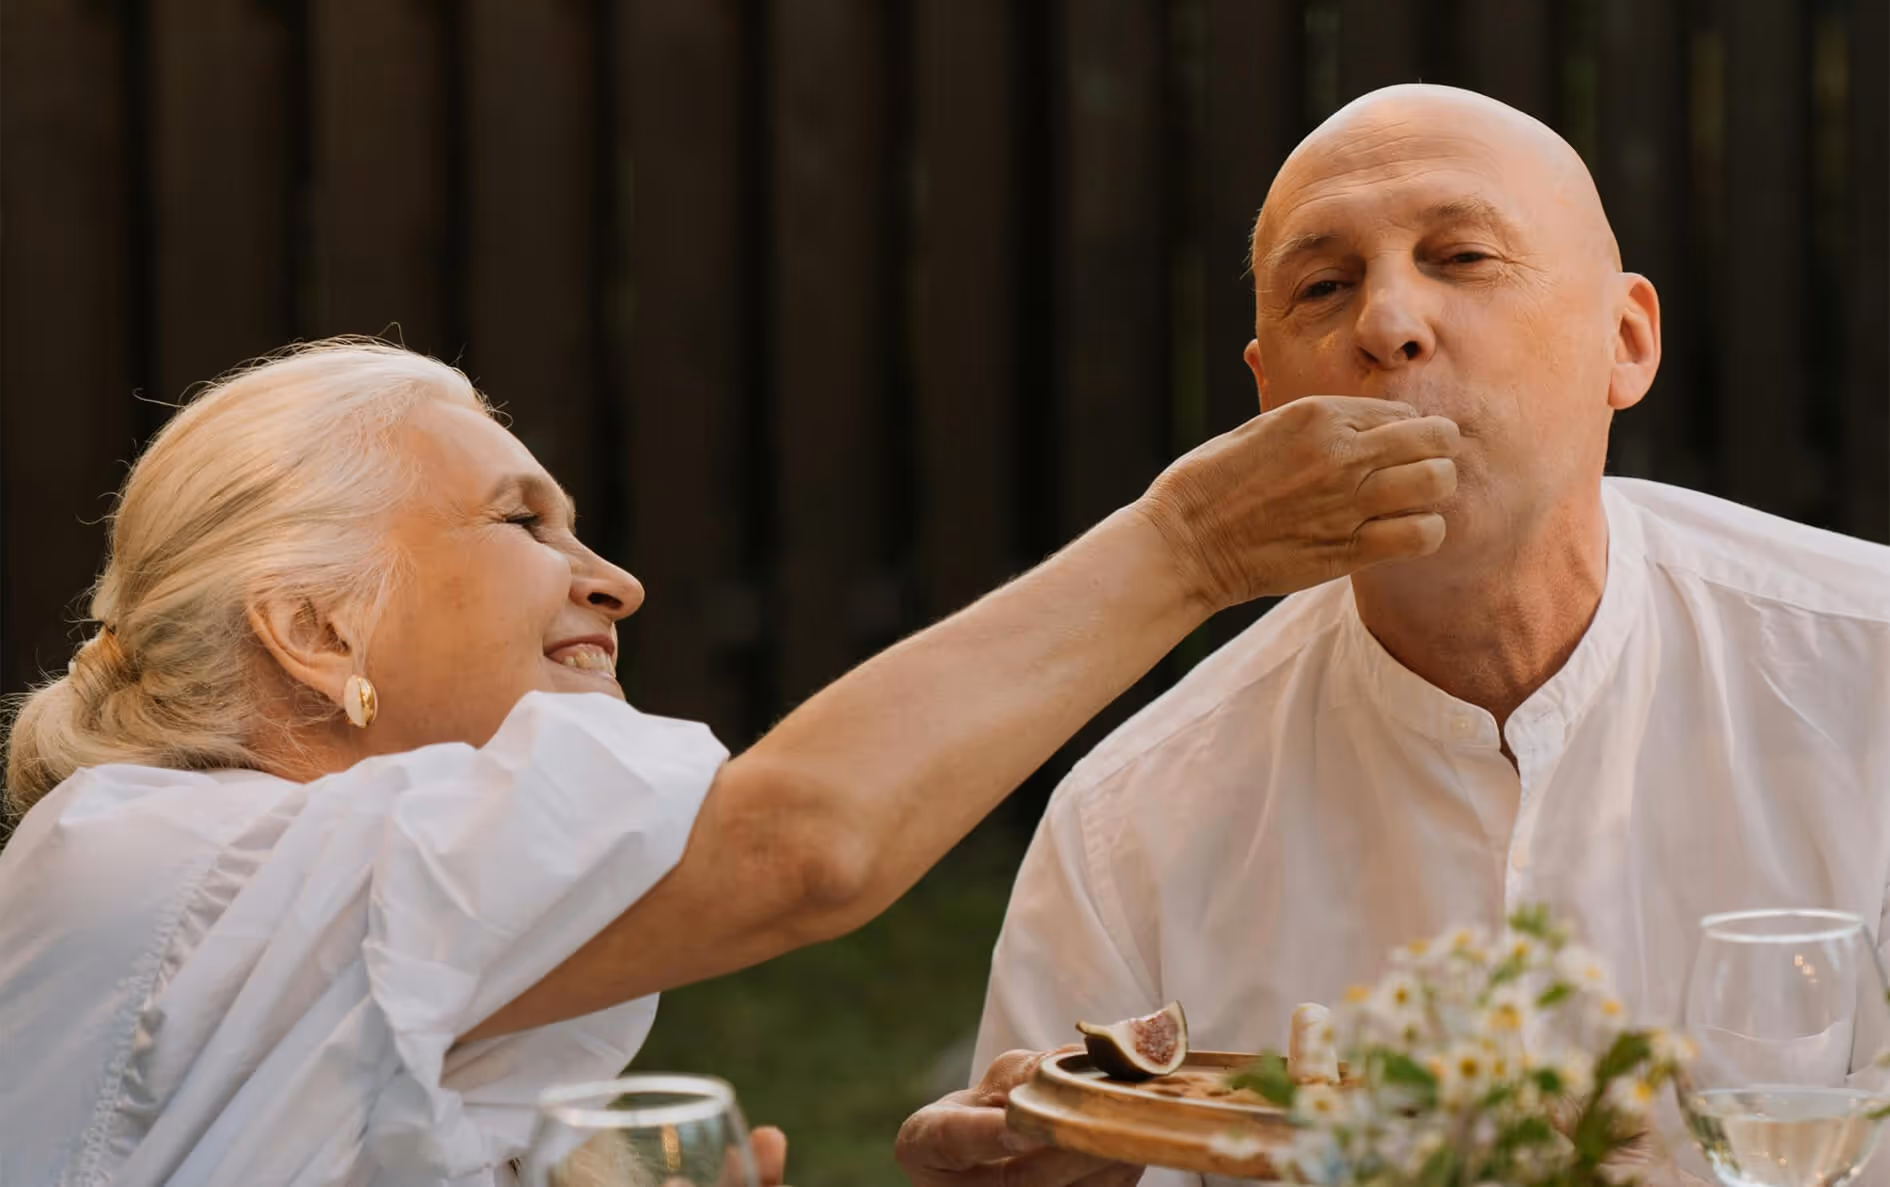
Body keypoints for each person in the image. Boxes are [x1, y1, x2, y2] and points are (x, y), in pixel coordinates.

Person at [0, 338, 1458, 1186]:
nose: (614, 579)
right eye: (526, 524)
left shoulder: (333, 914)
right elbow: (799, 843)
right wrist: (1184, 545)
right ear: (315, 628)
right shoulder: (153, 857)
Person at [895, 84, 1890, 1187]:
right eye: (1324, 285)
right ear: (1270, 399)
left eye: (1461, 257)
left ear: (1628, 339)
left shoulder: (1869, 670)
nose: (1386, 323)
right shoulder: (1124, 824)